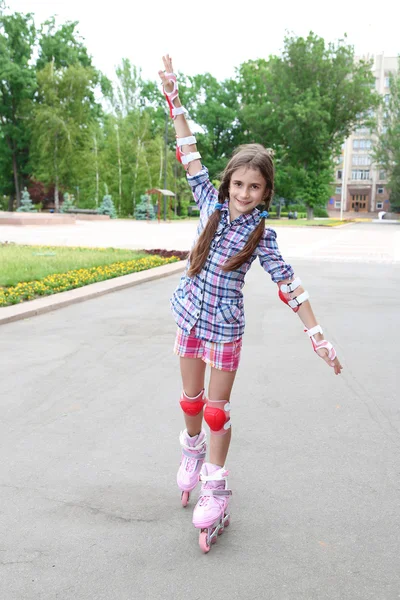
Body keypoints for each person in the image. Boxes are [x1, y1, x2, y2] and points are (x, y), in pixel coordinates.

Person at [158, 55, 343, 553]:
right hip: (189, 319)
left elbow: (290, 285)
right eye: (238, 183)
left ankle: (215, 488)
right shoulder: (207, 203)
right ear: (229, 183)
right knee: (191, 404)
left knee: (217, 411)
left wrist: (317, 336)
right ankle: (191, 452)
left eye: (254, 187)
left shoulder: (262, 235)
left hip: (224, 331)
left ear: (265, 193)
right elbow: (189, 149)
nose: (244, 192)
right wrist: (174, 99)